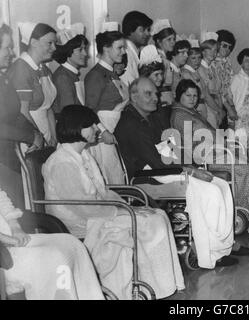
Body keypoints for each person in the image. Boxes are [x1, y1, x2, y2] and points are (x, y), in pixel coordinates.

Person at [42, 105, 185, 299]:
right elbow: (81, 206)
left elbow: (103, 191)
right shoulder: (62, 162)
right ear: (77, 128)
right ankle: (138, 288)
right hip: (78, 222)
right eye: (91, 126)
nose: (96, 129)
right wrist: (124, 212)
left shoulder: (83, 155)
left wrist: (129, 208)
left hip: (96, 213)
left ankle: (158, 284)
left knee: (157, 215)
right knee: (148, 221)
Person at [114, 77, 239, 268]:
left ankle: (224, 246)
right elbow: (155, 161)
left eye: (155, 93)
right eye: (148, 93)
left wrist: (190, 166)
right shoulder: (131, 123)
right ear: (133, 96)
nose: (154, 98)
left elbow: (168, 148)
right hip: (149, 177)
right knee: (211, 191)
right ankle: (209, 253)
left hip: (165, 169)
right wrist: (190, 171)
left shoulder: (149, 118)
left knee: (220, 185)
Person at [171, 79, 249, 222]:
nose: (192, 99)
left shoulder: (190, 112)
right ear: (179, 95)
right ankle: (239, 212)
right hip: (204, 159)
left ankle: (247, 211)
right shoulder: (180, 115)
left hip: (215, 151)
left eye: (194, 96)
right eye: (188, 95)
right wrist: (220, 146)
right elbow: (191, 144)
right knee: (245, 169)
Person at [0, 186, 105, 300]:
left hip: (8, 235)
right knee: (54, 258)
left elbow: (1, 199)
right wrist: (5, 239)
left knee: (70, 243)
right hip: (2, 253)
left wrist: (15, 228)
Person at [0, 23, 43, 209]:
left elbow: (15, 113)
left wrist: (35, 133)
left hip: (9, 157)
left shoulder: (3, 79)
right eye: (7, 47)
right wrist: (30, 136)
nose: (11, 53)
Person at [84, 30, 129, 184]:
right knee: (108, 177)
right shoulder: (95, 75)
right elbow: (89, 110)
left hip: (114, 132)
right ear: (106, 48)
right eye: (119, 48)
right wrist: (103, 132)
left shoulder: (112, 73)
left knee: (117, 174)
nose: (123, 52)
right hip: (103, 136)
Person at [8, 22, 57, 147]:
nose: (54, 48)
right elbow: (23, 111)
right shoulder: (21, 69)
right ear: (34, 42)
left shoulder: (44, 69)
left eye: (55, 43)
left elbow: (48, 107)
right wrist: (39, 138)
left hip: (47, 133)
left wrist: (53, 137)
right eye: (49, 43)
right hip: (29, 135)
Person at [213, 29, 238, 128]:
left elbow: (229, 86)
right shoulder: (212, 62)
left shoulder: (227, 61)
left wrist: (232, 105)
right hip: (217, 103)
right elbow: (219, 90)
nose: (227, 49)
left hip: (228, 103)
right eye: (224, 45)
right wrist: (229, 108)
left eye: (229, 47)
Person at [120, 11, 153, 85]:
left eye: (148, 30)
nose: (147, 34)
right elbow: (130, 86)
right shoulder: (126, 54)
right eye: (142, 30)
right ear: (130, 30)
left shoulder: (134, 51)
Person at [199, 34, 224, 128]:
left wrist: (220, 110)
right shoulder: (200, 69)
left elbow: (218, 92)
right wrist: (218, 110)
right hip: (207, 108)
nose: (213, 53)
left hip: (216, 108)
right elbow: (206, 95)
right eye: (209, 49)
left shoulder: (213, 68)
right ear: (203, 51)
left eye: (215, 50)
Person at [151, 19, 176, 108]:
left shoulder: (166, 58)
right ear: (158, 41)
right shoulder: (157, 57)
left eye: (174, 39)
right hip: (161, 99)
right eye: (169, 39)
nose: (173, 42)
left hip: (168, 98)